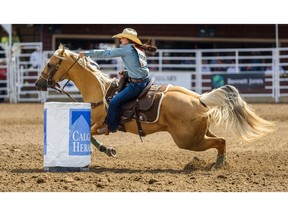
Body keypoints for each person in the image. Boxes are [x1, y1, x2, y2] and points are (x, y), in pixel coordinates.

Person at [79, 28, 157, 135]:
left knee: (114, 103)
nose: (120, 40)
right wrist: (126, 72)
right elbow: (139, 68)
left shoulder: (127, 49)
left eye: (122, 38)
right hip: (144, 80)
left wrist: (88, 53)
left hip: (136, 84)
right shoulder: (137, 49)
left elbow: (107, 53)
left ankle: (111, 127)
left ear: (127, 39)